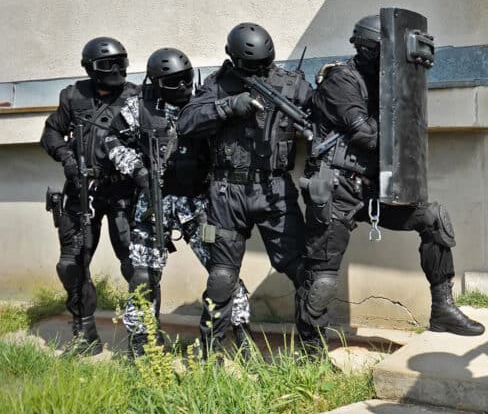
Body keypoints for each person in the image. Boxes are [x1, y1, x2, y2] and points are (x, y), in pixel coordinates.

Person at [294, 14, 484, 358]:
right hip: (336, 186)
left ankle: (442, 311)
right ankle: (309, 351)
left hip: (372, 186)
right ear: (368, 49)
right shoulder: (341, 80)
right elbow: (367, 136)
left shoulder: (388, 83)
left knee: (433, 219)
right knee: (321, 278)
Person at [104, 47, 254, 358]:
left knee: (222, 270)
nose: (184, 86)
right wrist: (137, 169)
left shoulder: (201, 103)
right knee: (143, 276)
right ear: (157, 83)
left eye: (187, 78)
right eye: (175, 82)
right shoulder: (139, 108)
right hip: (153, 204)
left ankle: (239, 331)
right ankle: (143, 343)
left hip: (197, 204)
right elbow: (112, 140)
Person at [176, 24, 310, 356]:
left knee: (304, 270)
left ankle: (312, 352)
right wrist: (227, 107)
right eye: (254, 65)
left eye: (266, 62)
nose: (261, 70)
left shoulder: (290, 84)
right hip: (226, 192)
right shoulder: (217, 85)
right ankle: (210, 357)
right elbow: (186, 123)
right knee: (222, 277)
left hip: (274, 188)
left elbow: (324, 115)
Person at [41, 37, 139, 355]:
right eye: (107, 64)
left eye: (120, 62)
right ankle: (85, 335)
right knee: (71, 264)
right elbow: (51, 132)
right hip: (82, 191)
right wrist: (68, 158)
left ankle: (144, 337)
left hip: (124, 191)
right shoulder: (73, 95)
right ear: (90, 68)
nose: (116, 69)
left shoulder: (137, 96)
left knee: (136, 266)